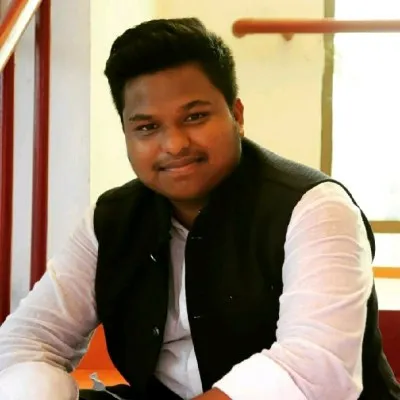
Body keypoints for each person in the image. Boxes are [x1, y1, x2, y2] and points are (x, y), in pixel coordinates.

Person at [0, 17, 399, 400]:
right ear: (126, 133)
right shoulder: (111, 220)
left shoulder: (314, 208)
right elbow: (25, 340)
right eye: (147, 127)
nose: (174, 145)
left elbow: (314, 373)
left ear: (237, 116)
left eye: (195, 117)